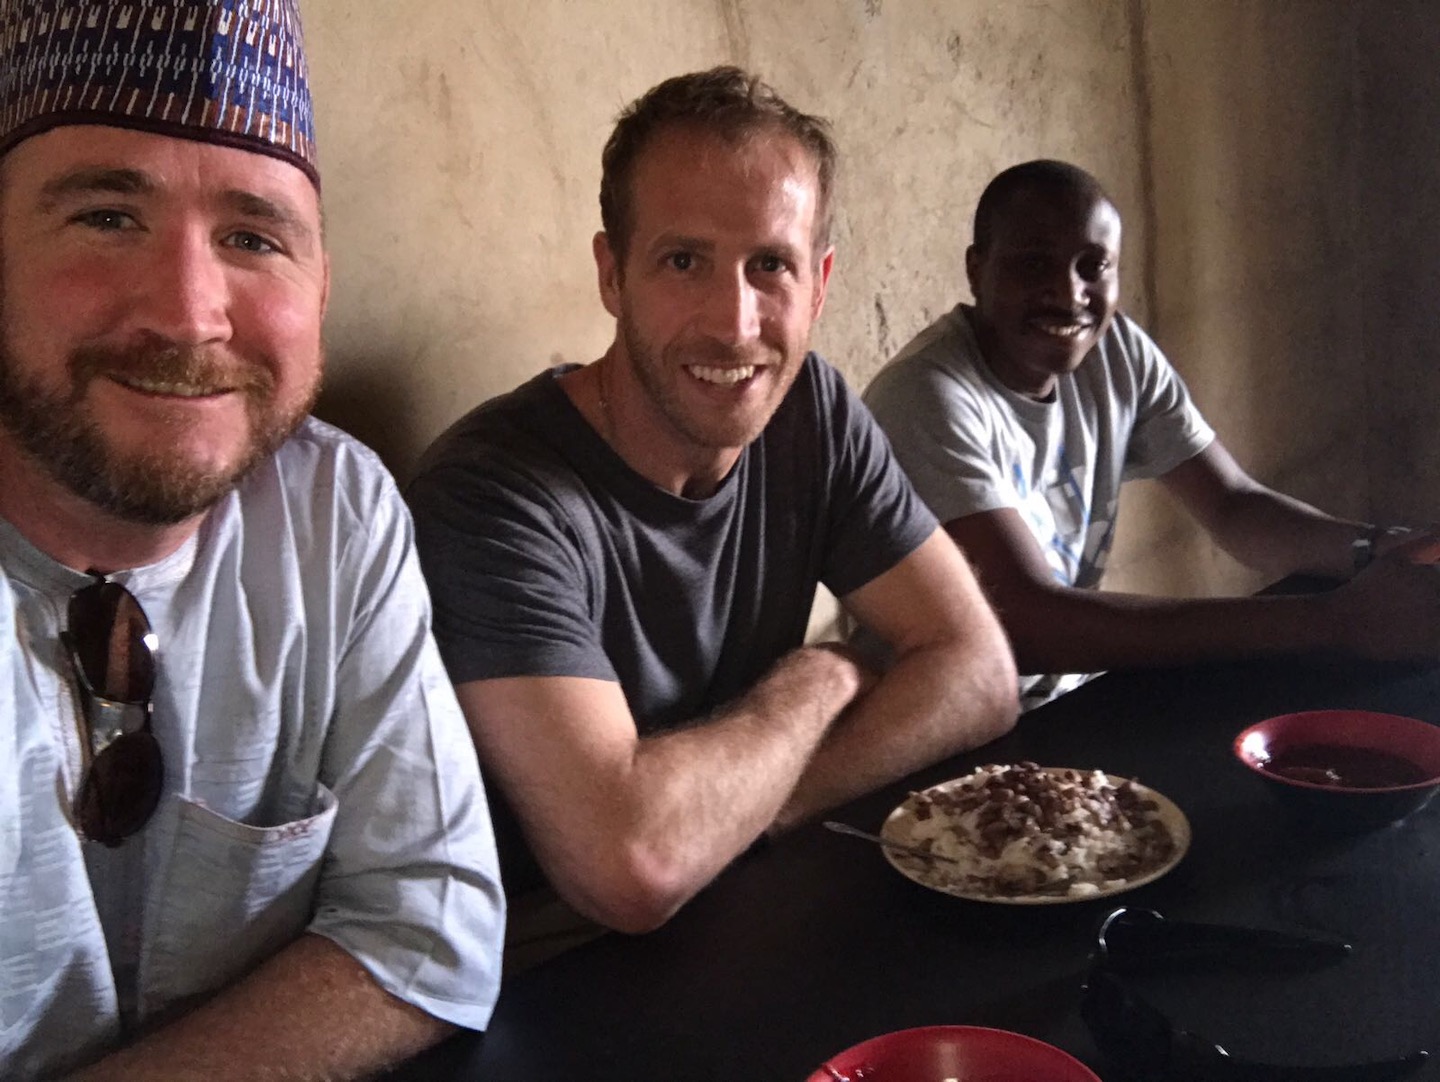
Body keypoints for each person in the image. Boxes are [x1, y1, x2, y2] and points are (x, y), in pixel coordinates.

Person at [407, 67, 1018, 958]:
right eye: (683, 261)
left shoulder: (811, 410)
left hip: (744, 908)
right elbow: (633, 867)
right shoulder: (492, 496)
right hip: (552, 971)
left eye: (770, 265)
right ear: (613, 276)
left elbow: (979, 673)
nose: (733, 325)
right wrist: (819, 682)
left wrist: (742, 813)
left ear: (820, 284)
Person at [0, 3, 504, 1079]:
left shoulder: (334, 512)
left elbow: (434, 923)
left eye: (252, 237)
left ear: (319, 287)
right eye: (105, 216)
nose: (188, 314)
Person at [865, 159, 1440, 711]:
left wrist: (1385, 550)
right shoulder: (926, 399)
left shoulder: (1114, 351)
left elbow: (1234, 507)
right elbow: (1023, 623)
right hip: (947, 729)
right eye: (1033, 265)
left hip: (1062, 705)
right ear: (976, 268)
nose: (1069, 295)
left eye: (1093, 266)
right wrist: (1333, 622)